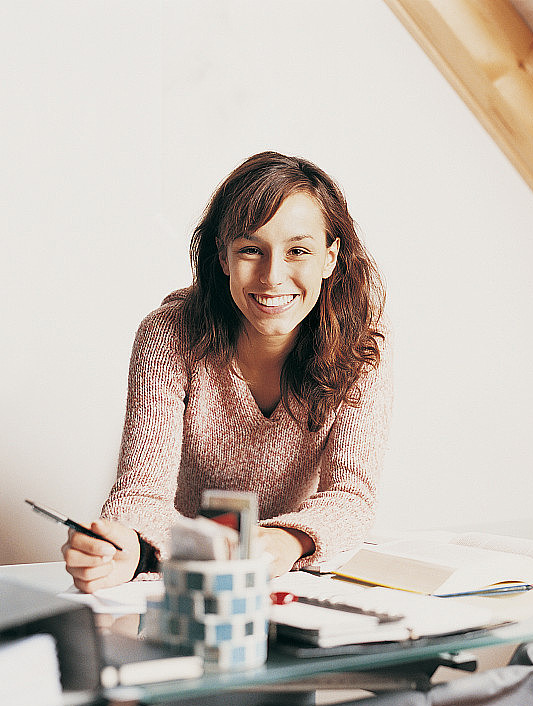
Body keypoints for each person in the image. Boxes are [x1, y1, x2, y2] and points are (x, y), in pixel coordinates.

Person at [63, 152, 392, 593]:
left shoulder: (360, 343)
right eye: (251, 250)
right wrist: (128, 550)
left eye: (298, 251)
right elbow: (140, 496)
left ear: (330, 258)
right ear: (223, 257)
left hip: (295, 583)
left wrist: (282, 541)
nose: (273, 276)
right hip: (184, 576)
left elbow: (351, 498)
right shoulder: (170, 334)